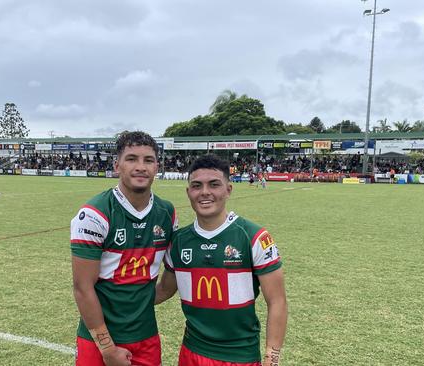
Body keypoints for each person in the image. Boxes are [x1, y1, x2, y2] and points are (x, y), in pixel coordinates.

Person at [156, 154, 287, 366]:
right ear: (188, 192)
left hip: (239, 356)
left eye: (214, 184)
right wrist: (119, 301)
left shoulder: (254, 236)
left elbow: (277, 301)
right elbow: (164, 289)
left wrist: (272, 360)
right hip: (191, 352)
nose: (205, 192)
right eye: (197, 186)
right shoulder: (178, 241)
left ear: (228, 189)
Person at [70, 131, 178, 366]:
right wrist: (107, 349)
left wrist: (137, 305)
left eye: (148, 160)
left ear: (157, 167)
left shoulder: (167, 213)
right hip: (98, 341)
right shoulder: (94, 214)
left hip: (146, 338)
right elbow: (82, 288)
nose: (141, 166)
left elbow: (169, 283)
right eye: (132, 159)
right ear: (117, 165)